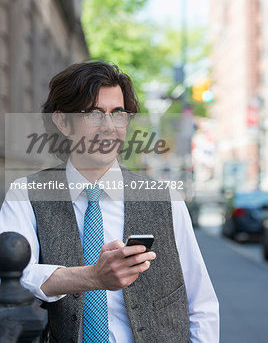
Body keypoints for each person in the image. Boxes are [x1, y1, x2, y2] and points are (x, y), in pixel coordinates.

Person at [0, 61, 219, 342]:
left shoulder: (165, 198)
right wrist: (92, 276)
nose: (109, 127)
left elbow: (200, 304)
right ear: (63, 121)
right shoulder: (26, 193)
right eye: (94, 113)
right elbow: (13, 276)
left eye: (118, 114)